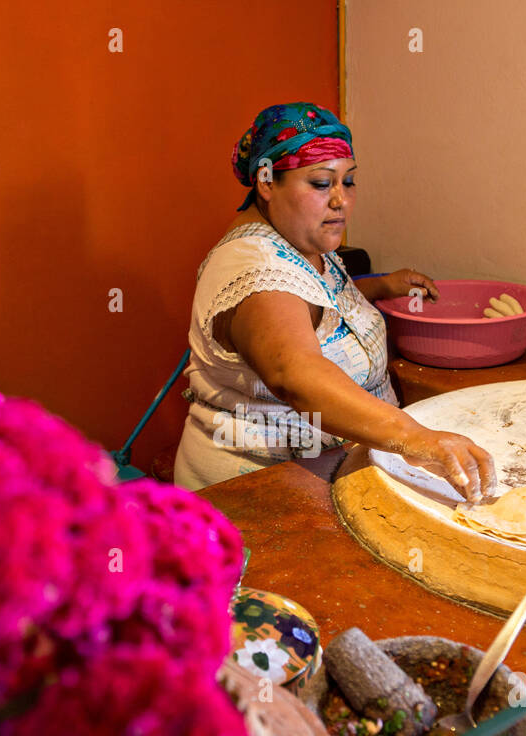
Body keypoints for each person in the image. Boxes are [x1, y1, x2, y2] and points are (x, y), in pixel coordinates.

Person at [173, 102, 495, 502]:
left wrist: (379, 286)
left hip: (325, 473)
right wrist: (416, 438)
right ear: (267, 181)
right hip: (256, 497)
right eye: (322, 184)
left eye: (349, 182)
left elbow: (316, 306)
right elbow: (295, 373)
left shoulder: (298, 240)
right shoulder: (254, 269)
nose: (341, 201)